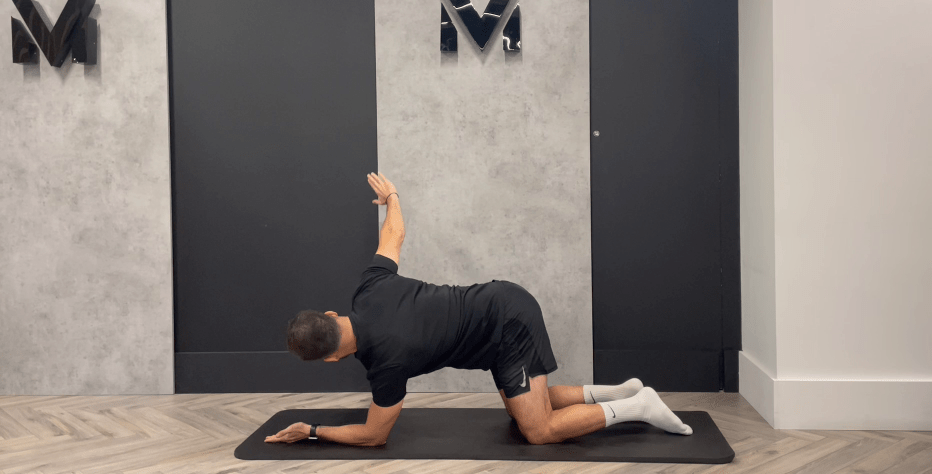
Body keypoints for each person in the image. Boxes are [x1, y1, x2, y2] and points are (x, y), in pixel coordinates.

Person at [265, 172, 693, 446]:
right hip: (501, 301)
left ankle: (640, 407)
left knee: (537, 429)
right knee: (520, 405)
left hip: (507, 326)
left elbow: (375, 435)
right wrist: (392, 194)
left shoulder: (384, 367)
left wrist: (314, 431)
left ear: (334, 355)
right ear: (333, 314)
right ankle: (621, 392)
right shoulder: (369, 288)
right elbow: (393, 235)